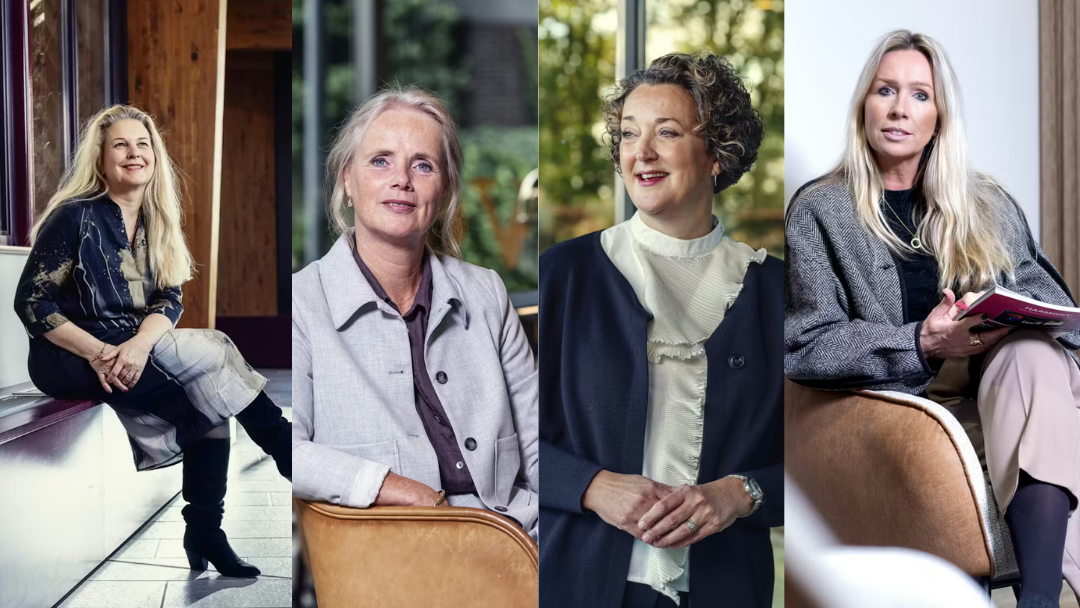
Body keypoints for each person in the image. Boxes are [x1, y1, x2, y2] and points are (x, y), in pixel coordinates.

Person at [785, 30, 1080, 608]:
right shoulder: (820, 210)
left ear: (940, 115)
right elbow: (806, 345)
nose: (900, 109)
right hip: (905, 396)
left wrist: (1006, 317)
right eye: (885, 90)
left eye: (920, 95)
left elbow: (1052, 303)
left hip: (1003, 379)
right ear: (863, 106)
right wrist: (922, 340)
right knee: (1045, 393)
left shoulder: (985, 202)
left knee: (1032, 357)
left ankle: (1037, 599)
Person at [539, 52, 784, 608]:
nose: (640, 153)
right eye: (628, 134)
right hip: (578, 582)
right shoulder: (564, 274)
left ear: (717, 154)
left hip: (726, 589)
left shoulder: (772, 291)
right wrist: (592, 487)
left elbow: (818, 464)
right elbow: (510, 440)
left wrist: (742, 493)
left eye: (666, 132)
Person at [13, 105, 291, 578]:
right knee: (216, 352)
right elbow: (33, 303)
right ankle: (290, 460)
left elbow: (170, 297)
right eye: (120, 144)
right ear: (100, 159)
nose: (133, 153)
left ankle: (207, 531)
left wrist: (138, 346)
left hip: (127, 346)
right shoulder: (75, 217)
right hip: (68, 355)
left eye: (142, 145)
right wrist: (100, 352)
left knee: (209, 399)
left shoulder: (155, 218)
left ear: (155, 158)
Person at [291, 87, 539, 540]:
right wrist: (397, 488)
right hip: (395, 553)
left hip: (516, 539)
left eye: (423, 165)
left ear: (443, 190)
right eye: (380, 161)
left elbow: (540, 441)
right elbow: (287, 446)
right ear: (347, 179)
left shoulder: (487, 291)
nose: (401, 179)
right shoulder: (302, 302)